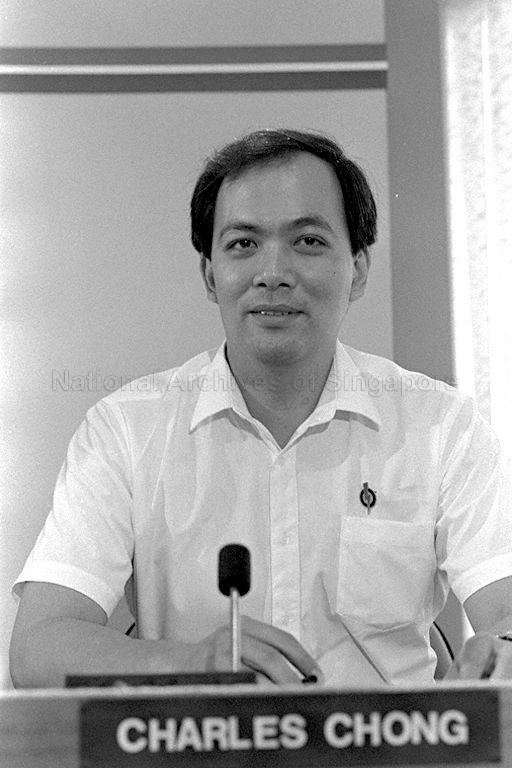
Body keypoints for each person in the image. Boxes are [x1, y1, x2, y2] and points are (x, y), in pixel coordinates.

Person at [10, 128, 512, 689]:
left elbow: (506, 609)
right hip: (198, 738)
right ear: (210, 274)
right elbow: (37, 648)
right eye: (243, 244)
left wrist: (503, 648)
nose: (273, 273)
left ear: (359, 268)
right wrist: (192, 664)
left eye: (308, 241)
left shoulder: (440, 426)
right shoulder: (127, 430)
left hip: (387, 737)